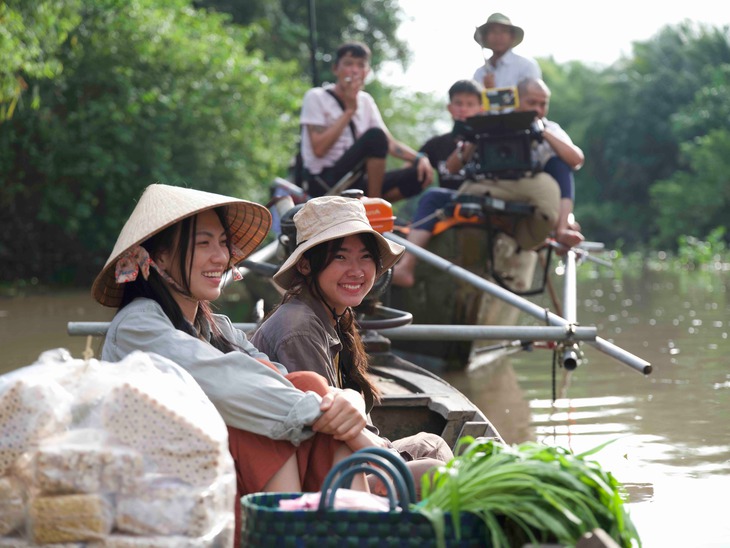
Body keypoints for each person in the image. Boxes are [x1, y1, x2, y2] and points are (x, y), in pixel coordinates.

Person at [92, 184, 373, 546]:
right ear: (159, 259)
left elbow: (280, 378)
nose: (220, 257)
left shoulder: (216, 327)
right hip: (156, 492)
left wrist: (347, 397)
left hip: (206, 480)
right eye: (203, 244)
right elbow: (223, 381)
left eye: (223, 243)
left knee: (306, 384)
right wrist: (355, 432)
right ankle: (285, 536)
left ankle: (358, 530)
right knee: (251, 416)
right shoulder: (139, 326)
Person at [251, 195, 453, 495]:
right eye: (341, 257)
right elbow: (331, 431)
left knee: (431, 443)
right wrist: (386, 457)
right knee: (433, 472)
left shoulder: (331, 313)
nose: (356, 270)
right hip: (320, 476)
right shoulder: (300, 329)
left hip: (347, 453)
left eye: (365, 257)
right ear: (307, 265)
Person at [392, 78, 582, 288]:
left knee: (559, 165)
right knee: (433, 196)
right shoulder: (489, 124)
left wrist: (541, 132)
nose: (538, 109)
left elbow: (576, 160)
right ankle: (407, 265)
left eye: (543, 104)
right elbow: (452, 167)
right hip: (486, 188)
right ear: (517, 101)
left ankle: (561, 229)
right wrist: (475, 137)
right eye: (531, 103)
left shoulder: (548, 128)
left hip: (530, 193)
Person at [300, 41, 434, 201]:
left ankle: (373, 206)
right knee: (374, 137)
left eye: (360, 65)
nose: (355, 70)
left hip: (355, 180)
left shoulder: (366, 101)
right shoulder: (316, 97)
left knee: (418, 175)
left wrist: (420, 158)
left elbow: (389, 143)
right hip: (324, 181)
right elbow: (319, 149)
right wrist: (349, 111)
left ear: (367, 71)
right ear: (336, 69)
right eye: (349, 64)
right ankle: (373, 208)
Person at [418, 79, 485, 191]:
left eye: (470, 104)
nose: (463, 109)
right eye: (458, 103)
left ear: (481, 109)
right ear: (449, 107)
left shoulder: (489, 142)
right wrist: (419, 159)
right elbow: (408, 169)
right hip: (446, 201)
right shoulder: (436, 144)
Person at [472, 13, 541, 90]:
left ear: (512, 37)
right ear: (485, 37)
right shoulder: (479, 73)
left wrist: (493, 92)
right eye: (493, 32)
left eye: (503, 31)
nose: (498, 36)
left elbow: (532, 98)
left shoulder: (526, 66)